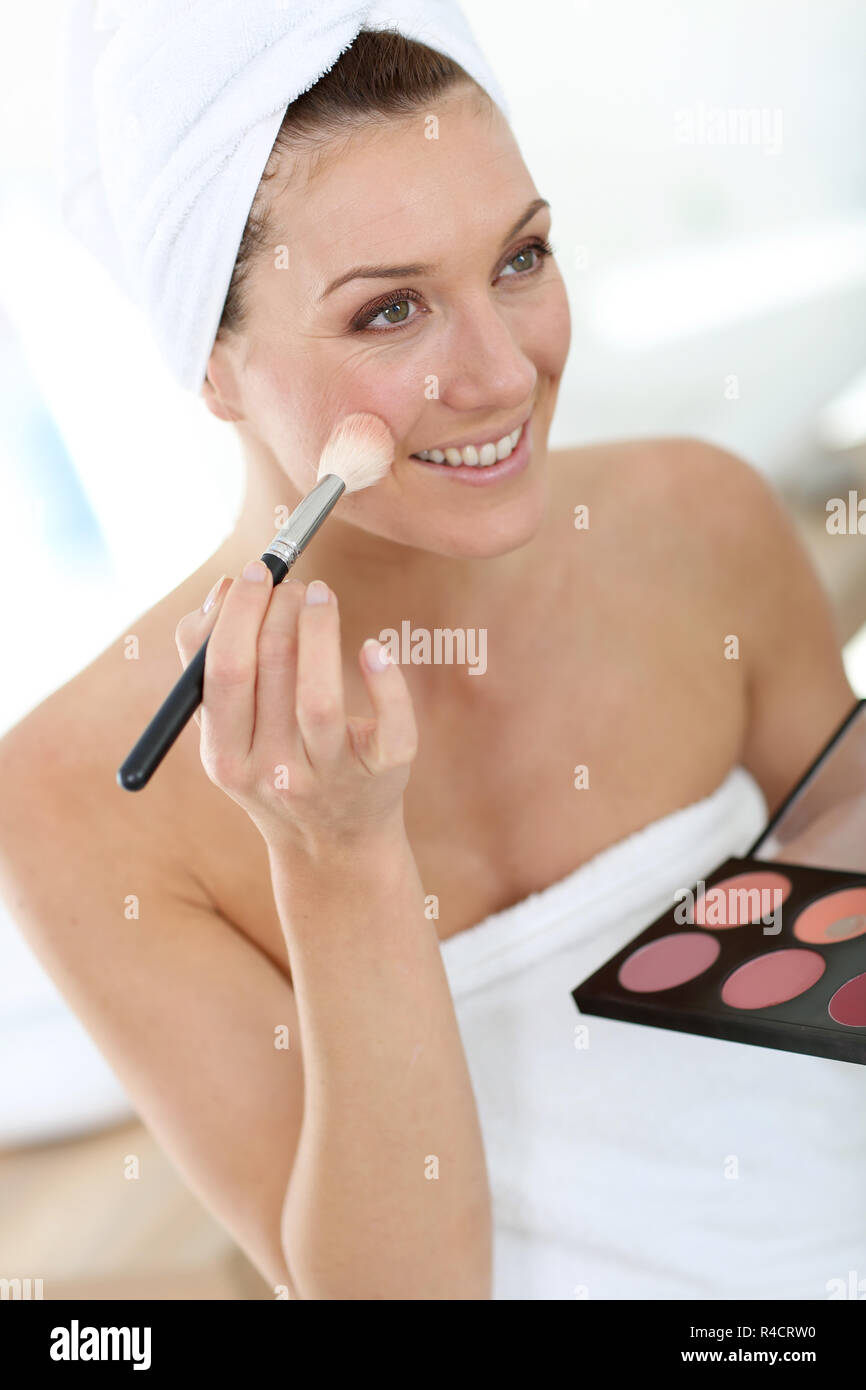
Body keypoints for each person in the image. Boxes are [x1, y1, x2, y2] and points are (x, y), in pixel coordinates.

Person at [0, 28, 857, 1300]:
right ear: (213, 367)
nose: (506, 372)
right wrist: (337, 867)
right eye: (389, 310)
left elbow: (835, 853)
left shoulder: (700, 515)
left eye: (520, 258)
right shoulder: (78, 794)